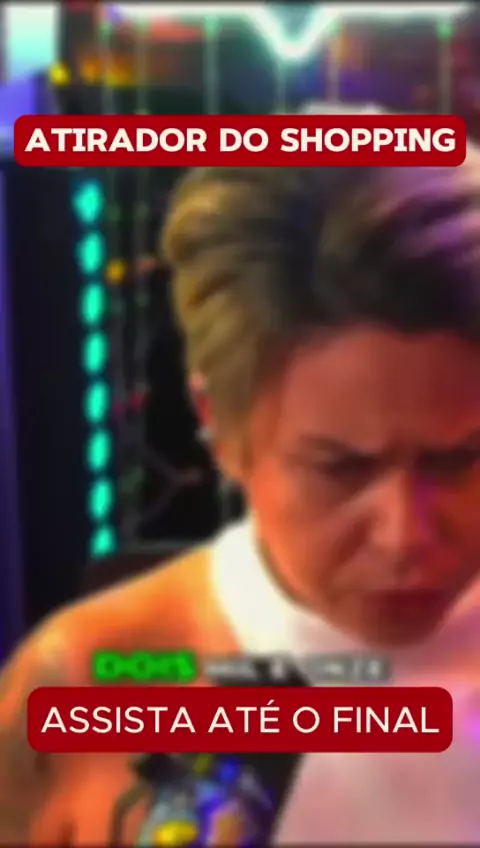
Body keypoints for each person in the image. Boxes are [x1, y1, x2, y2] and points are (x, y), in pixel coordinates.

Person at [1, 160, 480, 845]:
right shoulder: (83, 680)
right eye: (341, 469)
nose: (406, 536)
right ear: (219, 427)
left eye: (461, 459)